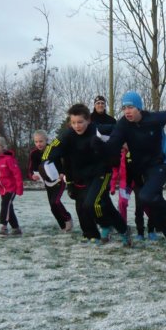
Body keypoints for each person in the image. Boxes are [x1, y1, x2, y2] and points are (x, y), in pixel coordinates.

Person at [101, 91, 166, 248]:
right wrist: (103, 154)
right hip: (144, 167)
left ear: (139, 108)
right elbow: (113, 143)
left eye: (131, 107)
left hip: (163, 163)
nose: (127, 111)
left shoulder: (153, 119)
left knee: (146, 196)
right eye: (124, 108)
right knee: (151, 204)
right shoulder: (123, 124)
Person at [42, 103, 130, 246]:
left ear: (88, 120)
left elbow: (118, 130)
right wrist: (45, 162)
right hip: (83, 177)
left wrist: (124, 141)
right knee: (105, 205)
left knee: (91, 204)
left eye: (80, 122)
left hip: (102, 172)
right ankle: (123, 230)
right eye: (74, 123)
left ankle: (107, 225)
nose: (77, 126)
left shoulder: (97, 130)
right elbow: (51, 149)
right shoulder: (67, 135)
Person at [28, 130, 73, 233]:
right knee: (53, 207)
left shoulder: (53, 149)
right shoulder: (33, 154)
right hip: (47, 182)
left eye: (41, 141)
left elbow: (64, 162)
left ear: (46, 140)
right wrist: (32, 176)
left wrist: (63, 173)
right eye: (36, 142)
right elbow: (30, 169)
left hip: (58, 179)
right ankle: (63, 227)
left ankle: (67, 218)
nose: (39, 144)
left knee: (55, 201)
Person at [0, 135, 25, 236]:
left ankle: (4, 226)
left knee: (5, 205)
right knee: (9, 207)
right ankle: (16, 228)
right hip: (2, 189)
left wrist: (19, 188)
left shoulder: (8, 159)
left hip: (11, 188)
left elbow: (17, 174)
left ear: (3, 147)